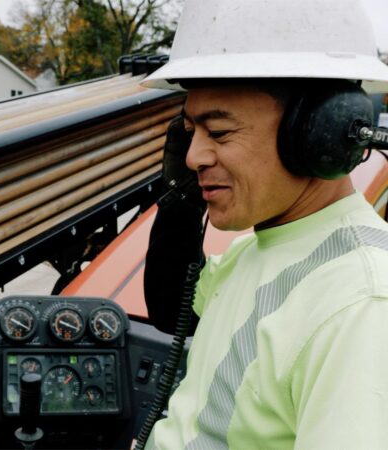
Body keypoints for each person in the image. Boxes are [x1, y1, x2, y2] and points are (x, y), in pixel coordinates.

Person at [141, 0, 388, 448]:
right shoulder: (258, 249)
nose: (194, 155)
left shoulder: (361, 305)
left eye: (218, 133)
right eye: (189, 131)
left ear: (317, 133)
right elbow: (170, 307)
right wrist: (179, 201)